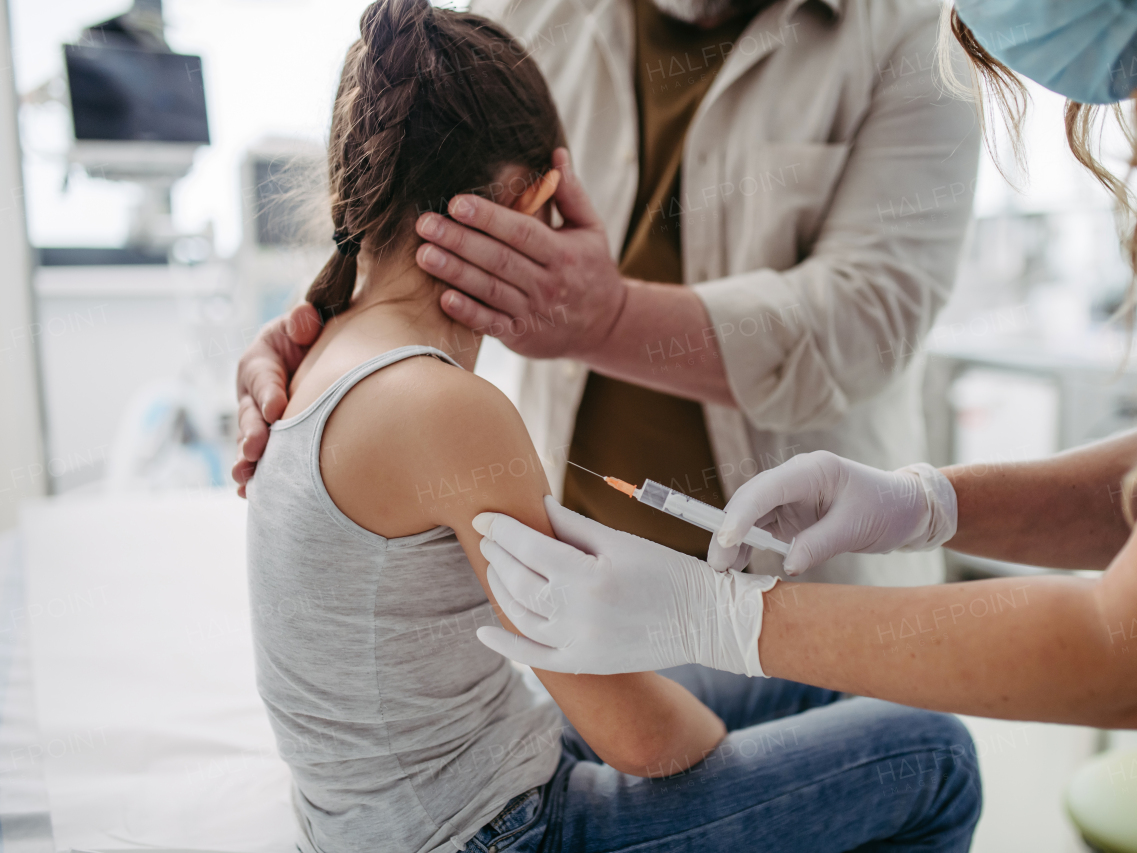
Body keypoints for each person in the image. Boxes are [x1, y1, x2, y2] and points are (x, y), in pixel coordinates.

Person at [246, 3, 981, 852]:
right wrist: (753, 789)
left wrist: (606, 315)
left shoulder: (322, 358)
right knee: (934, 750)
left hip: (422, 793)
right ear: (540, 199)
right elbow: (650, 743)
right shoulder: (449, 408)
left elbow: (866, 318)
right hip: (497, 827)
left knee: (834, 686)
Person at [468, 0, 1137, 731]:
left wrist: (719, 616)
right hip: (581, 599)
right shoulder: (523, 17)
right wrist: (929, 504)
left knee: (928, 765)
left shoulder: (904, 35)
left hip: (809, 615)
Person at [235, 0, 981, 589]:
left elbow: (863, 321)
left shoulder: (919, 40)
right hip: (586, 577)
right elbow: (411, 165)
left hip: (810, 589)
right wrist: (336, 324)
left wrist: (607, 319)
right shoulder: (527, 11)